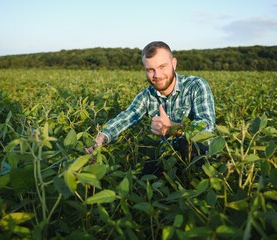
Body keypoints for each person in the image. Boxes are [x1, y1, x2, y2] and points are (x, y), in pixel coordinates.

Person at [86, 41, 215, 173]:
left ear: (174, 64)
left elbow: (207, 126)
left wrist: (173, 128)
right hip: (168, 158)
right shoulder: (147, 96)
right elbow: (126, 118)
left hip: (200, 157)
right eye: (150, 70)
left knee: (192, 147)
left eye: (162, 67)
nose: (157, 75)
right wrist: (101, 138)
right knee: (146, 172)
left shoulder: (196, 85)